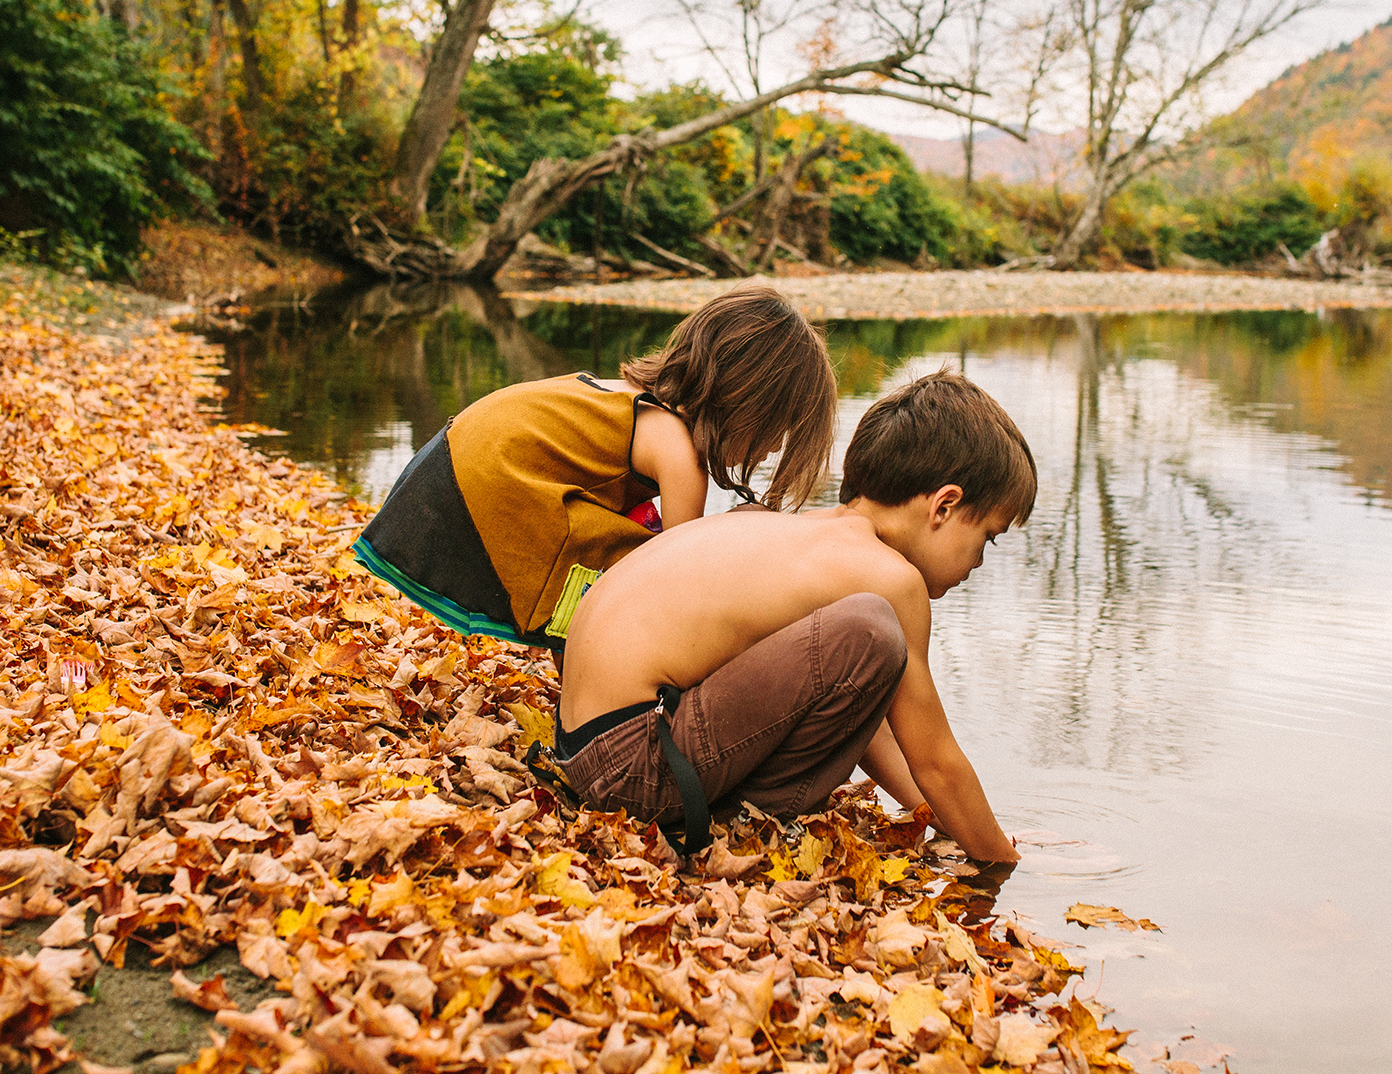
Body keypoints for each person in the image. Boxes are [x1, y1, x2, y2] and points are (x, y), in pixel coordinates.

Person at [555, 370, 1033, 863]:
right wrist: (1006, 860)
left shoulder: (795, 532)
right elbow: (936, 760)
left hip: (584, 749)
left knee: (866, 643)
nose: (978, 563)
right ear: (945, 506)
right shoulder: (890, 579)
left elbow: (868, 714)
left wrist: (936, 820)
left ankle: (735, 812)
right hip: (636, 771)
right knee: (872, 632)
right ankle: (741, 824)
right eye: (987, 539)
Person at [355, 284, 837, 651]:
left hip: (449, 459)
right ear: (745, 401)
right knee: (647, 568)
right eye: (777, 429)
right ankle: (595, 674)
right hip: (493, 481)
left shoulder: (632, 399)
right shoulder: (679, 452)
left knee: (635, 532)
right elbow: (683, 578)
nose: (774, 448)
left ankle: (580, 657)